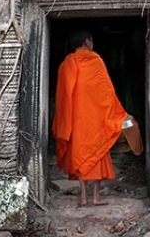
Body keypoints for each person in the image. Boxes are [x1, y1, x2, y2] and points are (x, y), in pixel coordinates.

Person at [52, 30, 128, 206]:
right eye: (91, 40)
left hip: (76, 121)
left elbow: (62, 98)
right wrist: (118, 113)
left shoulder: (66, 65)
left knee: (80, 156)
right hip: (96, 120)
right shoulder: (95, 61)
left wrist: (64, 122)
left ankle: (84, 198)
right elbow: (106, 92)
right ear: (87, 42)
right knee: (98, 154)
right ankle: (95, 198)